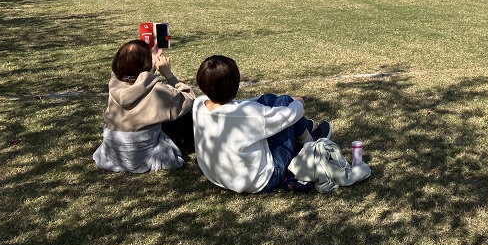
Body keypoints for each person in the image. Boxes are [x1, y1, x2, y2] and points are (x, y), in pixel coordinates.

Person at [192, 55, 331, 193]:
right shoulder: (248, 114)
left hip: (219, 176)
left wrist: (264, 99)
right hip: (264, 178)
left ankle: (302, 129)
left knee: (268, 98)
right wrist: (299, 102)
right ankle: (309, 140)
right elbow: (289, 114)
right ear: (235, 84)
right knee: (285, 101)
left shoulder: (198, 104)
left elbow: (237, 105)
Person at [93, 40, 196, 173]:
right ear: (147, 66)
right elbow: (189, 98)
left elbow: (138, 82)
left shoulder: (114, 83)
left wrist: (148, 64)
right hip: (144, 152)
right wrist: (168, 74)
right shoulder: (158, 91)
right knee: (185, 114)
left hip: (114, 151)